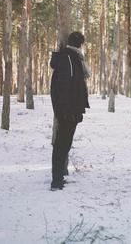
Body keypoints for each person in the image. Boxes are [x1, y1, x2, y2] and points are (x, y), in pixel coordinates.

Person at [50, 31, 90, 190]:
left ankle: (58, 178)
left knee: (64, 145)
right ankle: (56, 181)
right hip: (68, 111)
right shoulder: (69, 59)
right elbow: (65, 87)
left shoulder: (73, 58)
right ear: (80, 44)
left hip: (70, 110)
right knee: (61, 145)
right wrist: (67, 112)